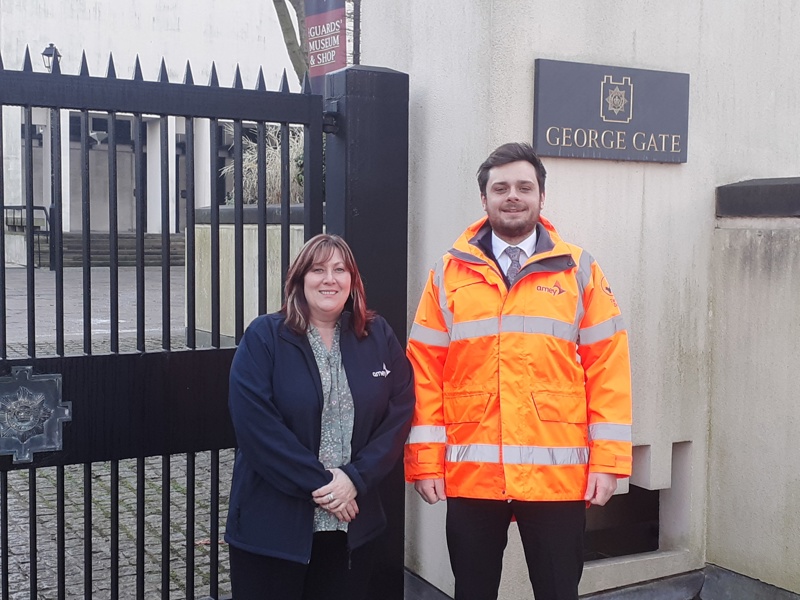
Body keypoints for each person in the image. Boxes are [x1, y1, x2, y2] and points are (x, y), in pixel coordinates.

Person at [404, 142, 632, 600]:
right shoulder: (449, 272)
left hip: (556, 477)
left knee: (557, 592)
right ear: (484, 198)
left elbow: (608, 366)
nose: (513, 196)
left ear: (541, 197)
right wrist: (426, 459)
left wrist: (608, 462)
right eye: (501, 187)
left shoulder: (578, 270)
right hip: (473, 474)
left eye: (524, 187)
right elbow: (424, 368)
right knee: (472, 592)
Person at [225, 233, 415, 600]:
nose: (330, 279)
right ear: (299, 280)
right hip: (274, 529)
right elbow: (256, 426)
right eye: (318, 269)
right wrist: (329, 486)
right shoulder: (265, 337)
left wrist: (355, 479)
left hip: (352, 529)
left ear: (352, 281)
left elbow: (400, 411)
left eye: (340, 270)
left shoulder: (377, 336)